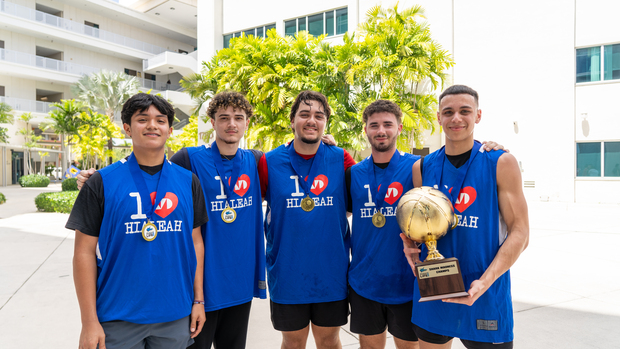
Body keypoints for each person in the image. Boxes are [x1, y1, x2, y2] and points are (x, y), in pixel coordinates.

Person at [347, 100, 504, 349]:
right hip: (364, 283)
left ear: (399, 128)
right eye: (374, 125)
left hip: (408, 282)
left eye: (388, 124)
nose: (380, 130)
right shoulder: (353, 173)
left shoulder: (417, 167)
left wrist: (488, 146)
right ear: (365, 129)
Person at [68, 93, 208, 349]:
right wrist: (89, 322)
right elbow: (83, 253)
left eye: (160, 120)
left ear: (169, 129)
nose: (152, 125)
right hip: (117, 317)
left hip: (175, 315)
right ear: (127, 128)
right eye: (142, 119)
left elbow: (196, 243)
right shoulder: (101, 182)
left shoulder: (188, 182)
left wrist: (198, 300)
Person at [402, 85, 529, 349]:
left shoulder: (501, 162)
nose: (456, 118)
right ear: (439, 117)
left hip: (484, 289)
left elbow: (521, 232)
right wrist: (409, 245)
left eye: (465, 111)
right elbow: (416, 224)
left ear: (478, 116)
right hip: (435, 289)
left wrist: (484, 282)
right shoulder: (422, 167)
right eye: (448, 112)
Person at [259, 90, 356, 349]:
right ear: (292, 121)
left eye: (319, 115)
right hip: (287, 274)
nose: (311, 120)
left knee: (329, 341)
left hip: (331, 273)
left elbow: (358, 202)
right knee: (292, 342)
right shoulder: (269, 162)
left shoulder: (341, 158)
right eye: (304, 114)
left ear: (325, 123)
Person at [172, 91, 266, 349]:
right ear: (212, 122)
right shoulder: (188, 159)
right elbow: (152, 173)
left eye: (238, 117)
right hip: (202, 285)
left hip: (240, 282)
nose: (231, 124)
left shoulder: (256, 161)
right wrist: (98, 177)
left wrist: (331, 146)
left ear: (247, 123)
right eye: (223, 117)